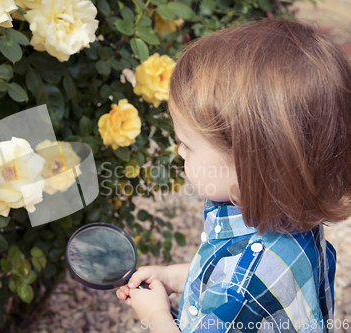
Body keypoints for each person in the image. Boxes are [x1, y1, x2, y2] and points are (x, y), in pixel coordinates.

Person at [116, 17, 351, 332]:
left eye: (187, 144)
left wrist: (155, 316)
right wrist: (174, 276)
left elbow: (240, 287)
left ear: (250, 167)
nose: (179, 151)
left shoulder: (244, 291)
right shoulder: (288, 211)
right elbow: (230, 274)